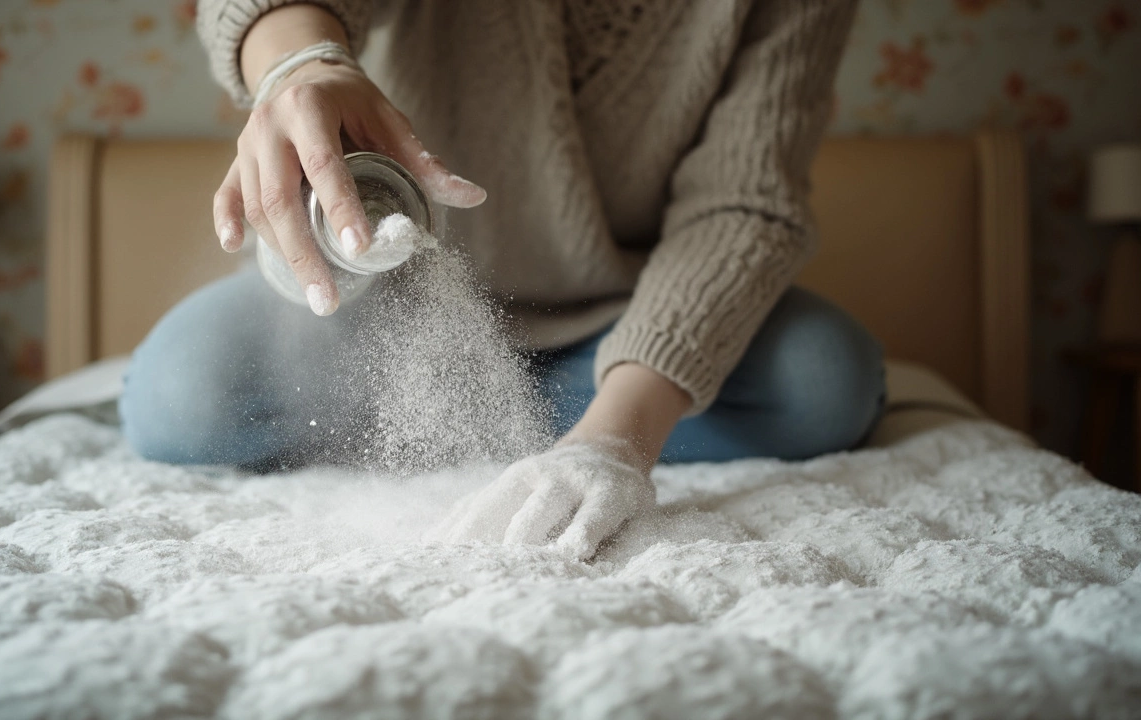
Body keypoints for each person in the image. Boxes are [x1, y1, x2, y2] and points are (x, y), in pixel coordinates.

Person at [120, 0, 884, 560]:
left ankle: (527, 412)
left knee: (824, 380)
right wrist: (299, 65)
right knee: (179, 397)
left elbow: (742, 204)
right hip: (383, 300)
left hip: (626, 312)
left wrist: (615, 442)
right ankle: (486, 406)